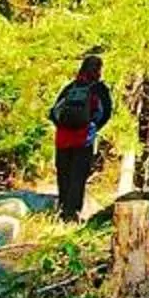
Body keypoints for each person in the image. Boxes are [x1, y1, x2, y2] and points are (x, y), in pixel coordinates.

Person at [49, 53, 113, 221]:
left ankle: (62, 211)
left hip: (62, 139)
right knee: (78, 175)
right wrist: (93, 126)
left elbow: (54, 112)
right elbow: (106, 113)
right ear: (98, 70)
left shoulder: (70, 88)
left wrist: (64, 126)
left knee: (64, 175)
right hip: (84, 138)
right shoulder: (99, 89)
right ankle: (72, 214)